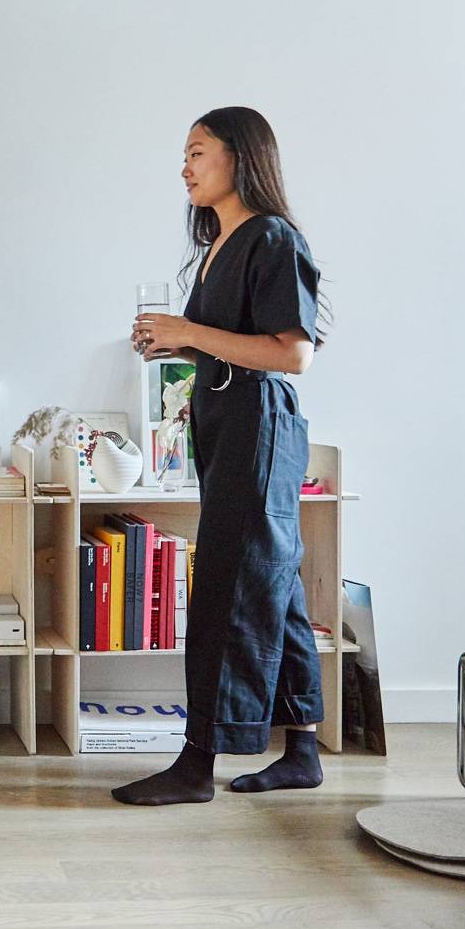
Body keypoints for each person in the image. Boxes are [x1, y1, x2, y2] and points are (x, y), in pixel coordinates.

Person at [113, 107, 328, 806]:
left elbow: (292, 353)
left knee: (228, 590)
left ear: (242, 157)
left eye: (198, 151)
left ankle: (197, 759)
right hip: (229, 430)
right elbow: (229, 339)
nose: (186, 166)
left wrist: (189, 329)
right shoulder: (218, 244)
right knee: (276, 587)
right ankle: (301, 749)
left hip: (257, 433)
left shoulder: (270, 237)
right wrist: (180, 342)